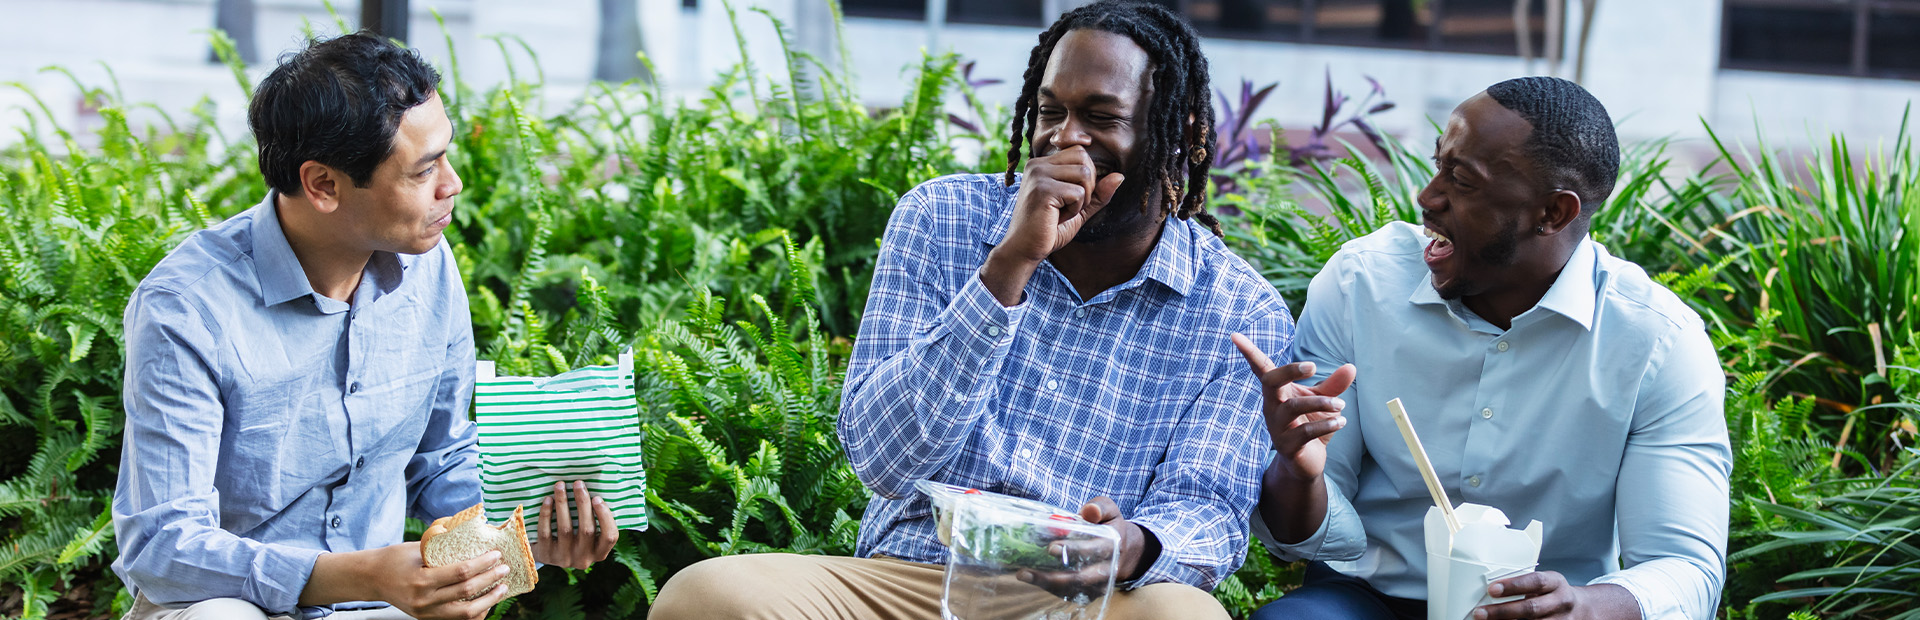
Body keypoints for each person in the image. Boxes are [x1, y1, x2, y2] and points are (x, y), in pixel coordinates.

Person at [647, 2, 1283, 618]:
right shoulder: (939, 217)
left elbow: (1209, 510)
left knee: (1185, 615)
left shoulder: (1241, 308)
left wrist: (1127, 547)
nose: (1065, 137)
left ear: (1184, 131)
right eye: (1051, 111)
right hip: (909, 579)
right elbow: (880, 459)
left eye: (1100, 116)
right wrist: (1007, 268)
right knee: (705, 597)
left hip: (1092, 600)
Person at [113, 33, 618, 620]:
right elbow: (162, 547)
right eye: (424, 169)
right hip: (224, 602)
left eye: (446, 156)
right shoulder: (187, 307)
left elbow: (443, 456)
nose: (451, 184)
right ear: (323, 184)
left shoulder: (429, 264)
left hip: (378, 606)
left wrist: (528, 529)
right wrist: (369, 576)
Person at [1236, 76, 1731, 620]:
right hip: (1366, 599)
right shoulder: (1362, 283)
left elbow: (1685, 568)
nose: (1427, 198)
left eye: (1463, 181)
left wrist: (1583, 607)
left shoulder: (1657, 343)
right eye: (1438, 164)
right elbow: (1298, 534)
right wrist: (1299, 475)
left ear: (1553, 214)